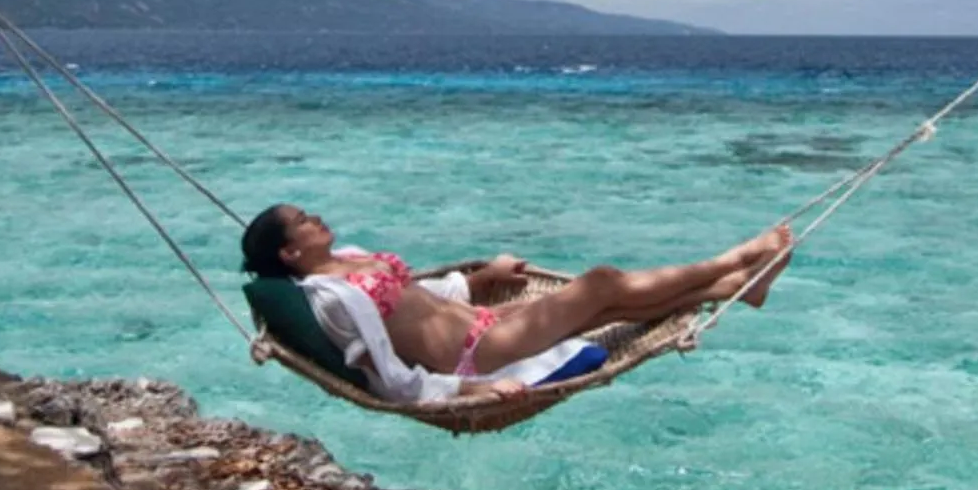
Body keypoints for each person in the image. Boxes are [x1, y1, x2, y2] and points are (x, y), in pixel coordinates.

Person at [240, 204, 793, 403]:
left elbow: (420, 300)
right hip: (477, 354)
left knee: (608, 312)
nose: (315, 218)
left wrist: (482, 280)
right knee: (602, 284)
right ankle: (734, 259)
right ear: (290, 252)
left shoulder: (352, 258)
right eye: (303, 220)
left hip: (484, 322)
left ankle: (734, 289)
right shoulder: (331, 299)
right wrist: (470, 390)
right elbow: (386, 376)